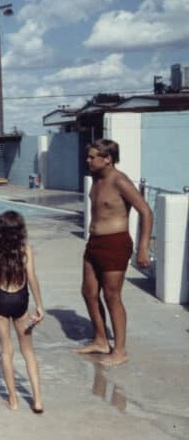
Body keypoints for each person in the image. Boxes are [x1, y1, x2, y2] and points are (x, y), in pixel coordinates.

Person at [77, 139, 152, 366]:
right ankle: (101, 340)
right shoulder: (95, 179)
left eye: (92, 157)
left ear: (107, 159)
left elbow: (146, 212)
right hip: (95, 243)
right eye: (88, 156)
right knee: (89, 292)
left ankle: (120, 351)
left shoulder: (120, 181)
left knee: (112, 296)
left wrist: (143, 247)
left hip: (115, 243)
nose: (88, 160)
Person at [0, 210, 45, 413]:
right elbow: (31, 276)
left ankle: (13, 401)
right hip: (20, 300)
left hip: (0, 300)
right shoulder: (25, 249)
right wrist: (39, 305)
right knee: (28, 352)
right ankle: (38, 401)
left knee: (6, 351)